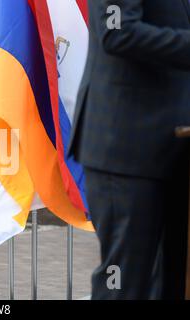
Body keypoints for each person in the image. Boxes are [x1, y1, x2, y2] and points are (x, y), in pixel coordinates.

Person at [69, 0, 190, 299]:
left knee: (170, 282)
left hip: (178, 147)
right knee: (124, 282)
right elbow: (118, 30)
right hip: (126, 147)